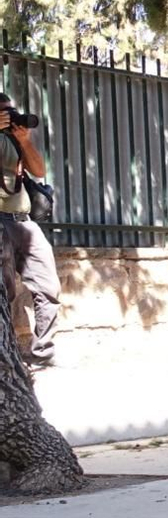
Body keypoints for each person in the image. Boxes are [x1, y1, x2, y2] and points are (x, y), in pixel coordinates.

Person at [0, 92, 61, 368]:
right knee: (6, 291)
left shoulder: (14, 137)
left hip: (24, 220)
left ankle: (43, 352)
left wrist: (24, 140)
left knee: (48, 285)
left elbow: (38, 169)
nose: (9, 115)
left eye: (10, 110)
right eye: (3, 111)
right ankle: (6, 355)